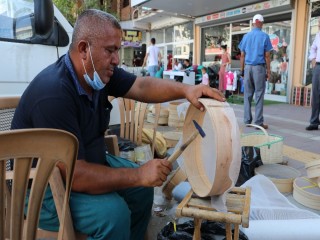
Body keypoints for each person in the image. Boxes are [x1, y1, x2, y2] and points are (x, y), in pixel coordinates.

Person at [11, 9, 225, 240]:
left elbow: (141, 86)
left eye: (118, 50)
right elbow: (77, 176)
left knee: (142, 192)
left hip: (84, 163)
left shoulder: (97, 74)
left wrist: (186, 90)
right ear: (84, 49)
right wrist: (139, 174)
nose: (116, 59)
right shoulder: (53, 94)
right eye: (110, 50)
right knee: (114, 215)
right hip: (38, 186)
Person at [238, 14, 273, 129]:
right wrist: (269, 71)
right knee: (259, 94)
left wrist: (242, 70)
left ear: (253, 23)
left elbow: (242, 55)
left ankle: (247, 120)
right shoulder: (265, 36)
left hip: (248, 67)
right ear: (261, 23)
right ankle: (258, 122)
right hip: (259, 68)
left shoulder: (246, 36)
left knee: (247, 95)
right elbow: (267, 56)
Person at [306, 17, 320, 131]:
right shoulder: (318, 35)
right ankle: (314, 122)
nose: (318, 24)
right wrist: (313, 59)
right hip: (318, 66)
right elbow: (313, 48)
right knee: (315, 94)